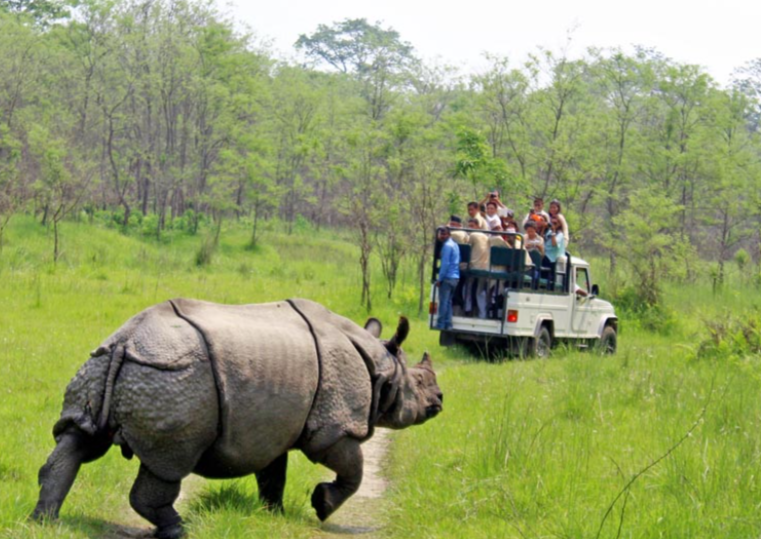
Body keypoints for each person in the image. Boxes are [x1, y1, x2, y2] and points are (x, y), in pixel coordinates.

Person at [435, 227, 460, 330]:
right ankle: (448, 324)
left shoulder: (447, 246)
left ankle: (440, 324)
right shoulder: (455, 245)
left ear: (449, 234)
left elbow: (444, 264)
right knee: (449, 302)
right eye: (441, 234)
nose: (442, 236)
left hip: (448, 278)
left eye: (445, 234)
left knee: (444, 302)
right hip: (455, 278)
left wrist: (440, 279)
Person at [465, 218, 490, 318]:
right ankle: (482, 314)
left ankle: (467, 308)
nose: (470, 228)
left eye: (472, 226)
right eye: (469, 226)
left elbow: (466, 245)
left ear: (478, 226)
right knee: (480, 291)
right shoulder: (486, 236)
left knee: (467, 287)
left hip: (474, 267)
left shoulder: (473, 235)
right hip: (485, 268)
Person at [543, 217, 566, 290]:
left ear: (559, 224)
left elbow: (554, 244)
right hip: (545, 255)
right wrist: (544, 228)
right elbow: (543, 239)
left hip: (552, 259)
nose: (553, 225)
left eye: (555, 223)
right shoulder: (549, 232)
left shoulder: (560, 234)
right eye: (552, 223)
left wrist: (553, 231)